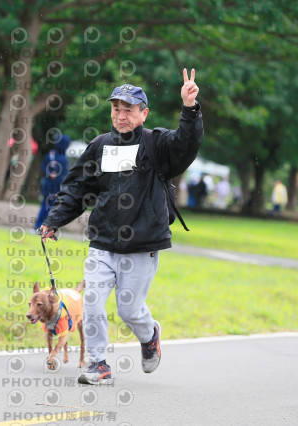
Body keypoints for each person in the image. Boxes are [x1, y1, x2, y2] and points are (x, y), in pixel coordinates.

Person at [39, 69, 203, 385]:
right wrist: (53, 220)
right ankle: (98, 364)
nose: (121, 115)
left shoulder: (157, 144)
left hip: (142, 244)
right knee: (92, 301)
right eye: (116, 108)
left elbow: (187, 144)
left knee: (129, 311)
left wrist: (190, 109)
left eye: (128, 109)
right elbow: (77, 188)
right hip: (102, 241)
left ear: (144, 113)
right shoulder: (100, 146)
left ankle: (150, 334)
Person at [34, 134, 71, 230]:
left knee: (49, 206)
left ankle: (42, 226)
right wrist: (50, 173)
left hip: (53, 185)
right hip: (52, 185)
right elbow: (64, 173)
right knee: (48, 206)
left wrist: (52, 174)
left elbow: (62, 172)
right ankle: (40, 226)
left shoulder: (55, 156)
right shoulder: (58, 157)